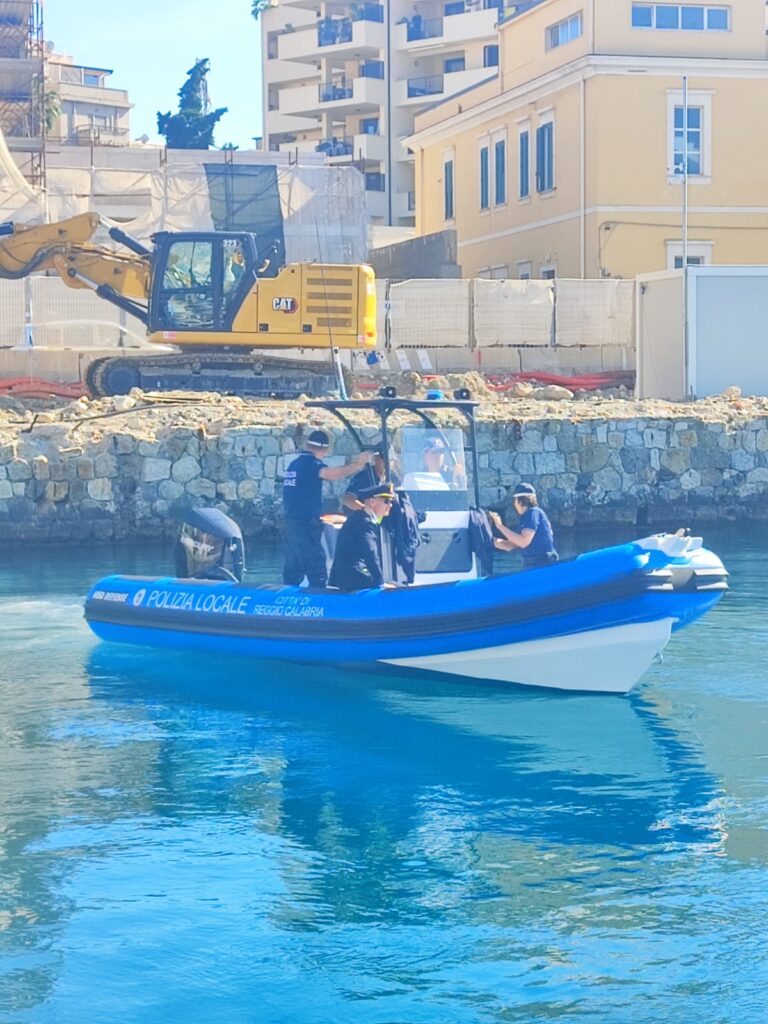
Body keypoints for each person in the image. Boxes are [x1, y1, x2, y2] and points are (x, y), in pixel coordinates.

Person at [282, 430, 372, 587]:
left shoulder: (294, 465)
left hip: (289, 523)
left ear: (307, 444)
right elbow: (331, 474)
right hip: (305, 524)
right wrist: (357, 465)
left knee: (293, 566)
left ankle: (288, 592)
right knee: (316, 568)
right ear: (325, 449)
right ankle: (320, 594)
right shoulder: (311, 464)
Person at [329, 481, 396, 591]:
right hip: (354, 577)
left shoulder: (358, 517)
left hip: (345, 576)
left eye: (391, 501)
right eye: (386, 501)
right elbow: (370, 554)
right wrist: (380, 583)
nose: (390, 505)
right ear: (372, 502)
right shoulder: (366, 523)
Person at [489, 483, 558, 570]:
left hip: (542, 566)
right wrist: (487, 539)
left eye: (514, 501)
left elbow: (523, 542)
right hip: (535, 566)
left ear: (519, 501)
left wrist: (500, 526)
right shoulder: (528, 518)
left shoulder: (533, 513)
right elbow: (509, 546)